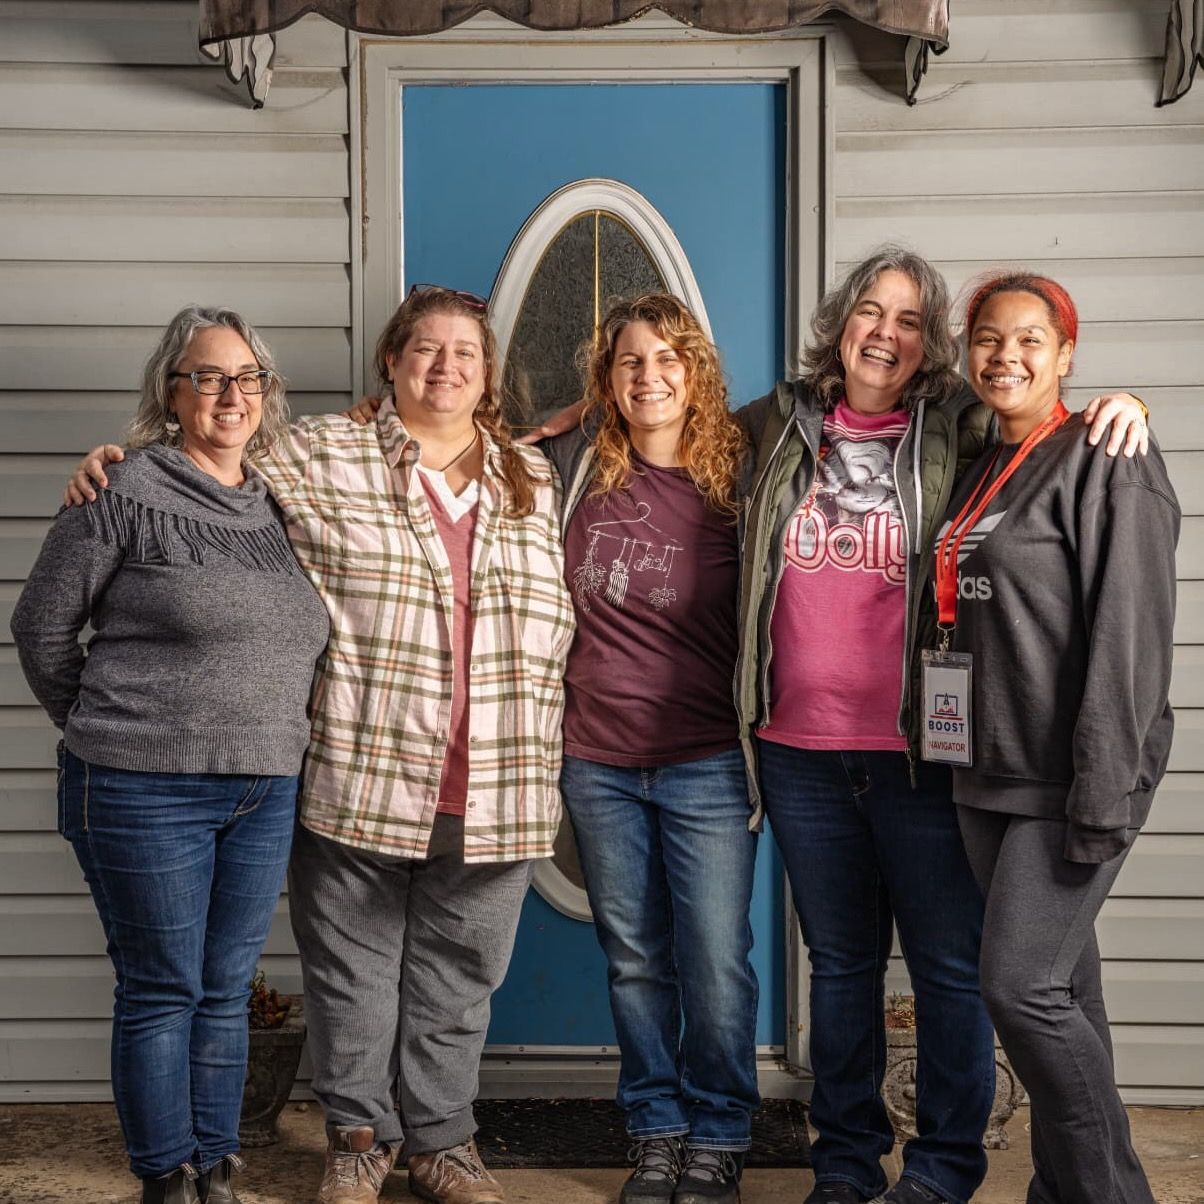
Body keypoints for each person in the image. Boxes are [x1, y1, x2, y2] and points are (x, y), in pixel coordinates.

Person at [63, 286, 576, 1204]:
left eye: (466, 351)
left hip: (503, 778)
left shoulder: (529, 476)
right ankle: (356, 1139)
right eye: (425, 348)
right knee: (352, 975)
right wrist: (114, 461)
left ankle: (444, 1145)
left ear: (489, 373)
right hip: (365, 767)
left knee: (462, 979)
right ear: (391, 361)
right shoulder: (315, 454)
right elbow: (205, 456)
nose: (445, 365)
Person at [732, 247, 1149, 1204]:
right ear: (841, 326)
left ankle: (941, 1169)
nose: (886, 332)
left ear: (933, 350)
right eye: (870, 313)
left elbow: (1039, 432)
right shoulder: (777, 424)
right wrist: (572, 415)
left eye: (911, 320)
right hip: (799, 750)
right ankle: (842, 1166)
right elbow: (668, 424)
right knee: (839, 969)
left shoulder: (958, 425)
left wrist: (1120, 409)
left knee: (952, 972)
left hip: (926, 754)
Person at [12, 307, 331, 1204]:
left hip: (262, 785)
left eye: (248, 378)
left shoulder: (276, 502)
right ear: (171, 389)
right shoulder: (122, 491)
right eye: (209, 376)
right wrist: (106, 729)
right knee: (161, 987)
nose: (231, 395)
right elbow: (41, 625)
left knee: (225, 987)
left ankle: (215, 1166)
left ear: (266, 394)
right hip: (140, 788)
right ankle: (166, 1176)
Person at [940, 273, 1177, 1204]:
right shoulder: (976, 461)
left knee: (1023, 991)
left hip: (1071, 774)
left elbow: (1129, 634)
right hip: (983, 770)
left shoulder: (1109, 453)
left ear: (1067, 354)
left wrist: (1104, 787)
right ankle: (1061, 1190)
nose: (1007, 357)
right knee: (1070, 995)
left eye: (1031, 340)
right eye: (989, 340)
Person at [544, 295, 758, 1204]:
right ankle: (657, 1131)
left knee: (713, 957)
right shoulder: (571, 466)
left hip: (707, 758)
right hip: (596, 759)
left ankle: (719, 1133)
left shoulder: (743, 481)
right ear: (607, 381)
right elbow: (445, 437)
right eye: (630, 361)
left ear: (696, 371)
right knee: (634, 958)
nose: (650, 376)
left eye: (668, 358)